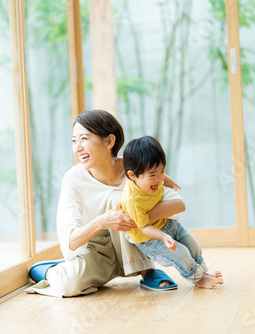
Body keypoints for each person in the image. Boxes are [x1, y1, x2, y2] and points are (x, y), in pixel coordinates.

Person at [26, 110, 185, 297]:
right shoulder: (72, 179)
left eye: (84, 139)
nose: (78, 148)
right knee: (69, 285)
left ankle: (147, 271)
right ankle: (52, 270)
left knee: (119, 199)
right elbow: (71, 240)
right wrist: (104, 221)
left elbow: (178, 204)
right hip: (97, 251)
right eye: (74, 141)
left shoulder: (137, 171)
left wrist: (135, 218)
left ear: (109, 141)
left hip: (134, 243)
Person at [121, 136, 223, 289]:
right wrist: (163, 237)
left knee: (193, 245)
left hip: (167, 223)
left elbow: (158, 175)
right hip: (149, 237)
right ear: (132, 176)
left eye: (162, 171)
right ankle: (198, 279)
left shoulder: (152, 178)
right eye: (153, 175)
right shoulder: (132, 200)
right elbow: (144, 227)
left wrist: (166, 179)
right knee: (181, 253)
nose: (158, 179)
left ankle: (203, 273)